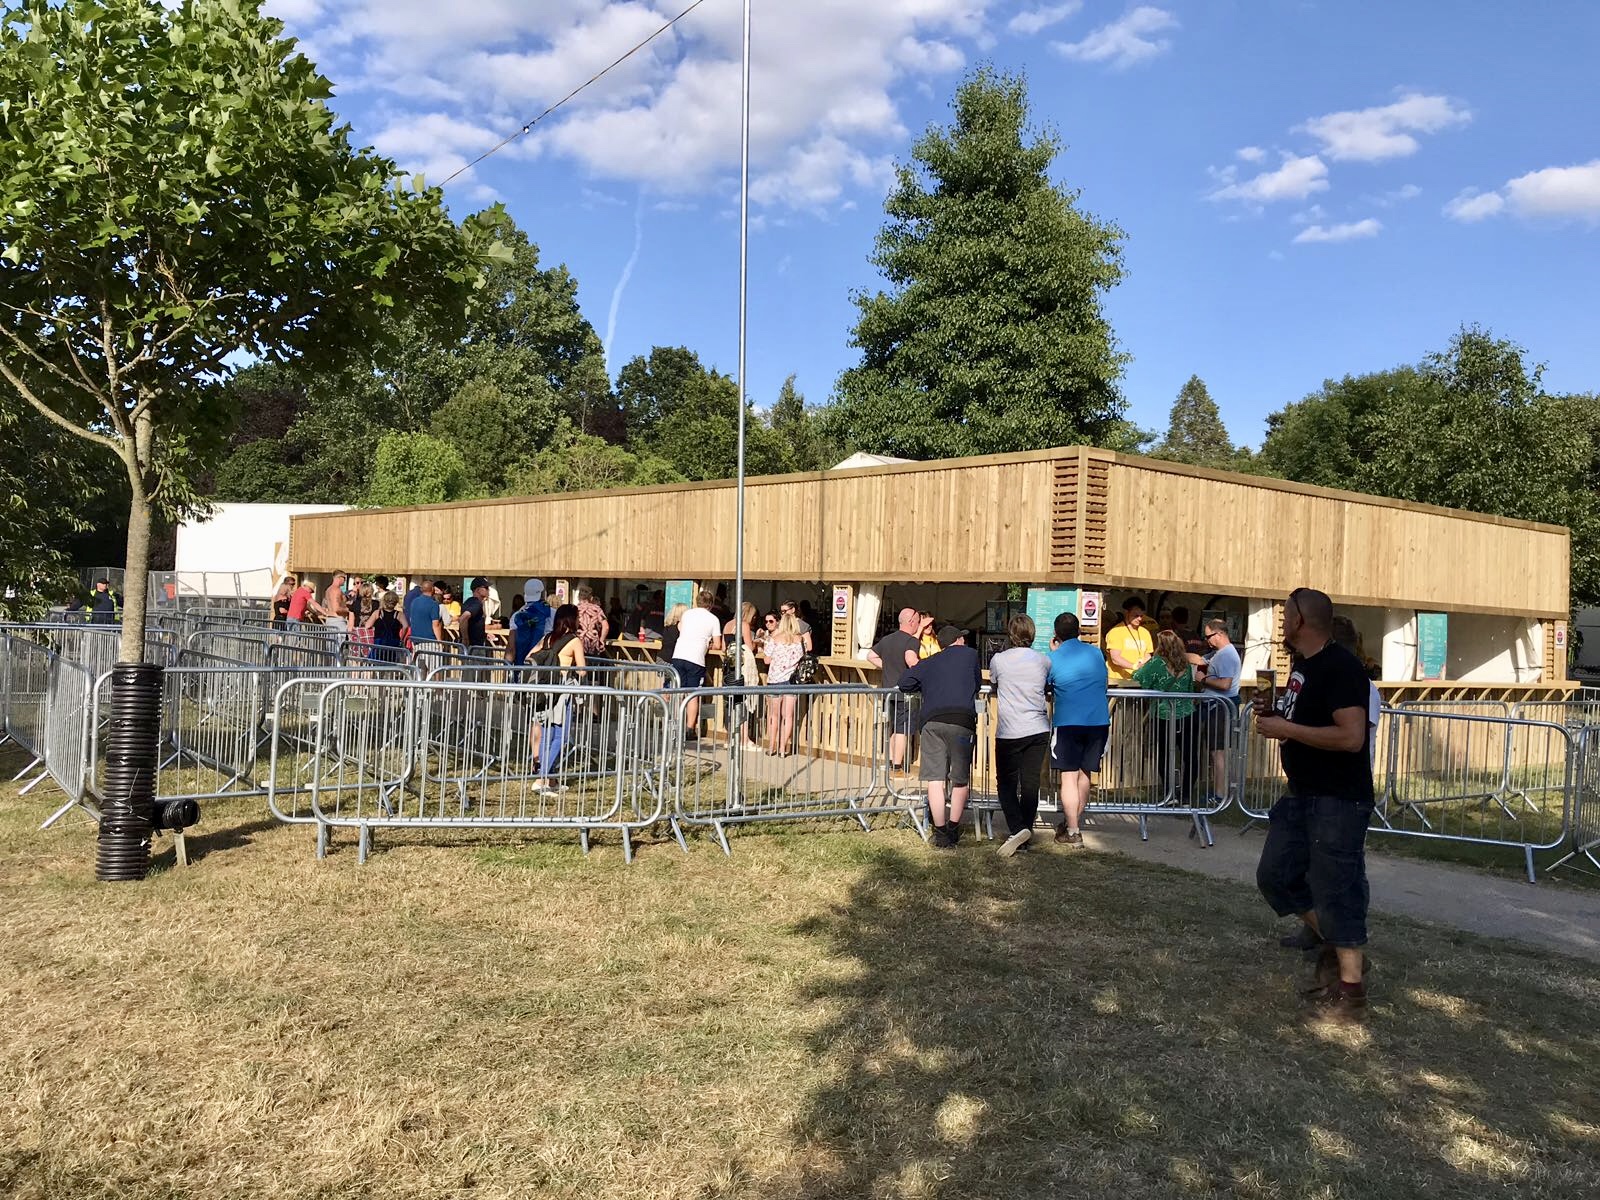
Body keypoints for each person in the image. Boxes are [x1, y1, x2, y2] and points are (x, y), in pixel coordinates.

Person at [1253, 587, 1376, 1024]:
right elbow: (1303, 726)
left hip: (1338, 800)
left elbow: (1351, 737)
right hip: (1302, 794)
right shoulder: (1302, 668)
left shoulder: (1341, 667)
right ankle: (1341, 947)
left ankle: (1350, 990)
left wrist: (1286, 726)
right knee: (1275, 877)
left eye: (1285, 615)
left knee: (1337, 887)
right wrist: (1276, 719)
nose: (1281, 623)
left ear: (1301, 620)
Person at [899, 625, 983, 849]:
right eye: (962, 639)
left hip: (933, 721)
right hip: (962, 720)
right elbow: (977, 683)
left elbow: (905, 683)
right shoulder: (970, 655)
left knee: (935, 779)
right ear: (958, 641)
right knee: (960, 778)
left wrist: (925, 682)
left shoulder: (930, 661)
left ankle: (940, 831)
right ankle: (954, 827)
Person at [988, 613, 1051, 857]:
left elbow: (994, 683)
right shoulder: (1043, 661)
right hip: (1037, 728)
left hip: (1010, 729)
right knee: (1030, 783)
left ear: (1010, 634)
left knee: (1005, 783)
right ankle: (1025, 831)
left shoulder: (999, 660)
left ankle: (1018, 829)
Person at [1048, 611, 1110, 846]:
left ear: (1056, 634)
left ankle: (1073, 830)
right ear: (1079, 632)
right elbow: (1104, 682)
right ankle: (1073, 822)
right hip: (1098, 720)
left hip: (1068, 721)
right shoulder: (1095, 653)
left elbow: (1048, 684)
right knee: (1085, 774)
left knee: (1068, 777)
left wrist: (1054, 653)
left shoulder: (1053, 657)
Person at [1132, 630, 1200, 804]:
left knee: (1164, 754)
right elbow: (1191, 687)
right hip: (1187, 714)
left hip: (1163, 714)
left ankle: (1169, 794)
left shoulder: (1156, 663)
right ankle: (1186, 795)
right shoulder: (1185, 663)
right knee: (1190, 756)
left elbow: (1139, 678)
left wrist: (1140, 666)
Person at [529, 603, 587, 793]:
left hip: (544, 691)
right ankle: (542, 778)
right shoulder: (574, 641)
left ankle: (550, 781)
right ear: (572, 619)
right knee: (561, 736)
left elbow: (530, 657)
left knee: (547, 735)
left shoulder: (547, 638)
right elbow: (582, 670)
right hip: (562, 692)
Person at [866, 607, 923, 775]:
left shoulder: (887, 639)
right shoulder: (911, 641)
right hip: (905, 692)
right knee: (902, 730)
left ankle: (891, 763)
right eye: (918, 622)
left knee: (893, 728)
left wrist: (887, 667)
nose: (918, 625)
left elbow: (870, 656)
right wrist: (925, 668)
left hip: (888, 691)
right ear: (911, 622)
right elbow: (911, 660)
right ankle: (897, 768)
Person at [1195, 617, 1242, 803]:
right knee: (1215, 752)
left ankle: (1220, 795)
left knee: (1218, 752)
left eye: (1209, 636)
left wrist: (1203, 680)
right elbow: (1197, 659)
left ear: (1220, 634)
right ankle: (1218, 792)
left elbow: (1225, 684)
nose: (1207, 640)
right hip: (1217, 706)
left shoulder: (1227, 655)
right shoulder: (1219, 653)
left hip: (1221, 708)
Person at [1331, 616, 1383, 769]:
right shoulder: (1332, 683)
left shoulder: (1362, 687)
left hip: (1349, 779)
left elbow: (1352, 738)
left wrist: (1290, 729)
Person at [673, 590, 724, 736]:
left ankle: (676, 724)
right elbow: (718, 644)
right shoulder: (713, 619)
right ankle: (690, 729)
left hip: (679, 653)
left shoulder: (687, 614)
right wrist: (707, 644)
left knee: (678, 691)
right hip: (696, 658)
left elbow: (680, 629)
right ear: (711, 604)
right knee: (692, 694)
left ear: (696, 602)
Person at [763, 612, 805, 755]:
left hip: (774, 679)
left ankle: (771, 746)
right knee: (788, 716)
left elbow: (766, 660)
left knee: (773, 716)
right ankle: (782, 748)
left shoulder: (774, 639)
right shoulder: (800, 640)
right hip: (792, 681)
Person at [725, 600, 762, 749]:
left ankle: (730, 738)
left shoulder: (727, 625)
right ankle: (744, 739)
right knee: (744, 701)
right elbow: (749, 646)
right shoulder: (744, 625)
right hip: (743, 666)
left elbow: (723, 647)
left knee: (731, 702)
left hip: (729, 665)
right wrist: (758, 640)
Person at [1105, 596, 1154, 685]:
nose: (1139, 619)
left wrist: (1143, 666)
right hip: (1119, 682)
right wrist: (1134, 666)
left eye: (1141, 616)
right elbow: (1115, 658)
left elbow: (1148, 655)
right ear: (1126, 613)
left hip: (1138, 681)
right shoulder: (1116, 632)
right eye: (1136, 616)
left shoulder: (1145, 632)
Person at [508, 580, 554, 665]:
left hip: (522, 662)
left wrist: (506, 668)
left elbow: (511, 648)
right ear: (542, 593)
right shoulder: (553, 613)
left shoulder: (517, 616)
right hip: (545, 664)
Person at [367, 591, 405, 661]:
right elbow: (406, 626)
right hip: (393, 642)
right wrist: (402, 638)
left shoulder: (377, 613)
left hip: (379, 642)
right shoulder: (399, 614)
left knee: (377, 662)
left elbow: (368, 625)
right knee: (392, 664)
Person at [406, 580, 444, 646]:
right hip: (429, 640)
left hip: (415, 639)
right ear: (432, 589)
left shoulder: (414, 602)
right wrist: (439, 642)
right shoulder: (433, 604)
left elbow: (411, 619)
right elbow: (436, 625)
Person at [576, 585, 610, 659]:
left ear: (578, 597)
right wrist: (601, 640)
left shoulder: (574, 609)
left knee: (579, 667)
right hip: (593, 643)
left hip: (578, 642)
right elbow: (606, 626)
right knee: (593, 667)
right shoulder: (597, 609)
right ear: (591, 597)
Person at [460, 577, 491, 650]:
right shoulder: (477, 603)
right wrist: (465, 639)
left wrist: (484, 635)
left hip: (470, 646)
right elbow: (463, 618)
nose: (488, 590)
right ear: (478, 590)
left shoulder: (469, 601)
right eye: (486, 588)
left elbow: (472, 623)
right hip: (474, 647)